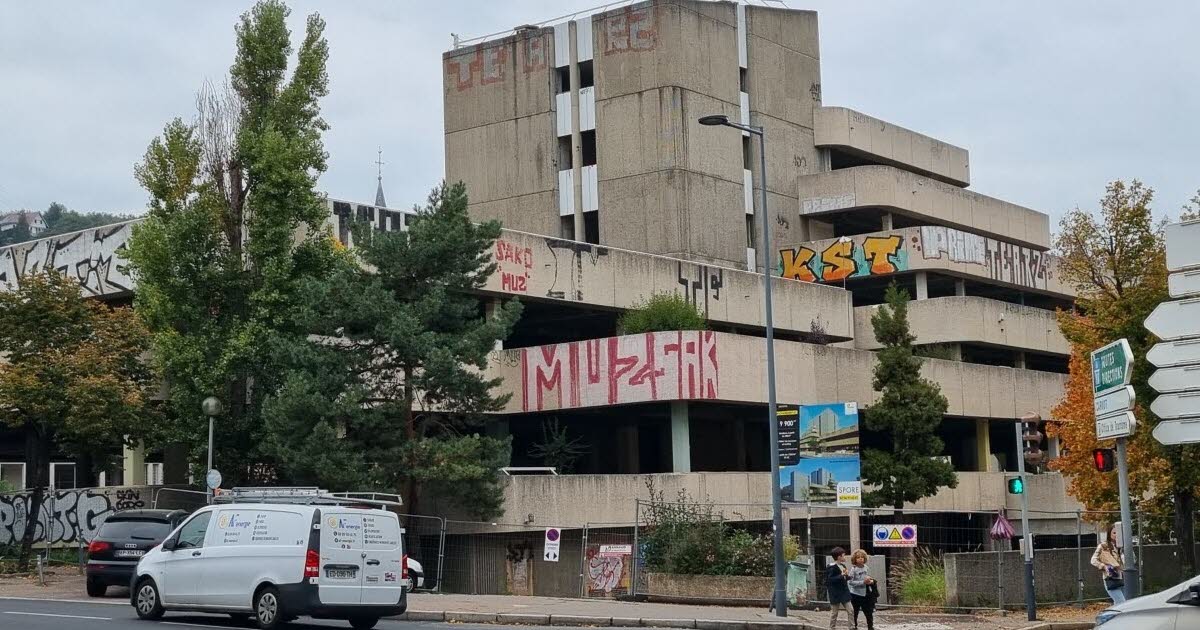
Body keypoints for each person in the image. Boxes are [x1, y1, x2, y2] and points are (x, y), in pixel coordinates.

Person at [1090, 523, 1125, 604]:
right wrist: (1104, 566)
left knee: (1120, 606)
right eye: (1114, 533)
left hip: (1123, 579)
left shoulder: (1123, 546)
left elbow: (1132, 560)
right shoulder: (1104, 546)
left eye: (1119, 533)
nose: (1116, 535)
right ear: (1109, 534)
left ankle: (1110, 616)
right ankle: (1105, 616)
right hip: (1111, 579)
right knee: (1122, 604)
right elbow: (1093, 560)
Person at [826, 547, 855, 629]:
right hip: (835, 593)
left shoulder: (842, 565)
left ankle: (851, 627)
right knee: (834, 612)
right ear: (839, 557)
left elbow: (844, 578)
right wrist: (841, 575)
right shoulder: (831, 567)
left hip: (844, 592)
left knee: (851, 610)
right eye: (843, 555)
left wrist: (849, 577)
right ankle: (832, 627)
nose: (844, 557)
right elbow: (830, 580)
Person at [847, 549, 876, 630]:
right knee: (854, 612)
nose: (860, 559)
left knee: (868, 612)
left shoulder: (866, 567)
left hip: (865, 593)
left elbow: (868, 578)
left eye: (862, 557)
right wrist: (863, 582)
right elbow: (851, 582)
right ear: (855, 559)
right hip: (855, 594)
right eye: (858, 557)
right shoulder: (853, 569)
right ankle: (854, 626)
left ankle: (870, 626)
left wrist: (870, 581)